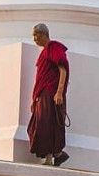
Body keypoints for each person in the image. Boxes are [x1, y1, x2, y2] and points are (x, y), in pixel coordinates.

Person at [27, 23, 69, 166]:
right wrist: (35, 99)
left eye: (36, 35)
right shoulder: (44, 52)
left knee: (48, 123)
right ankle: (53, 155)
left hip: (51, 94)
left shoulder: (54, 47)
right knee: (40, 124)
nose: (34, 39)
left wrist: (59, 92)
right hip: (42, 94)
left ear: (44, 34)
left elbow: (62, 70)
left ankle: (54, 155)